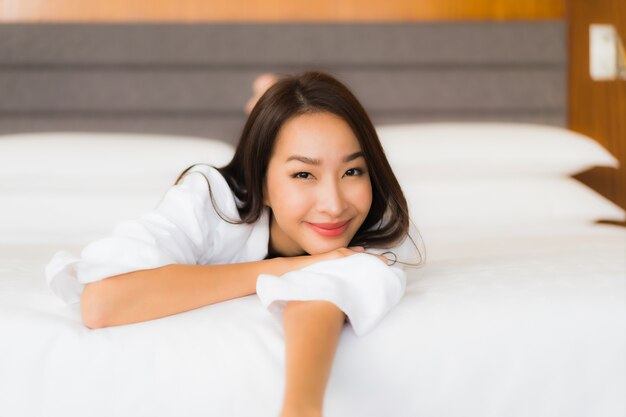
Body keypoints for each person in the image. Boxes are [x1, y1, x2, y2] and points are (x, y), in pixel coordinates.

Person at [45, 71, 423, 417]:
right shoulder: (210, 199)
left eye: (352, 170)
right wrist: (283, 267)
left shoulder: (377, 227)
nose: (335, 204)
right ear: (261, 184)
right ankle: (262, 101)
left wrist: (302, 408)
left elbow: (321, 295)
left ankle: (268, 107)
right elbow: (101, 303)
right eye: (304, 173)